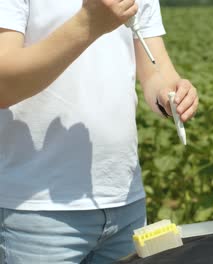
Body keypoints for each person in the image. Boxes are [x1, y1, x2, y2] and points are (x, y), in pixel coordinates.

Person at [0, 0, 199, 263]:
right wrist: (88, 23)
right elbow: (4, 85)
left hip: (126, 201)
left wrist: (170, 94)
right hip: (36, 212)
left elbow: (155, 72)